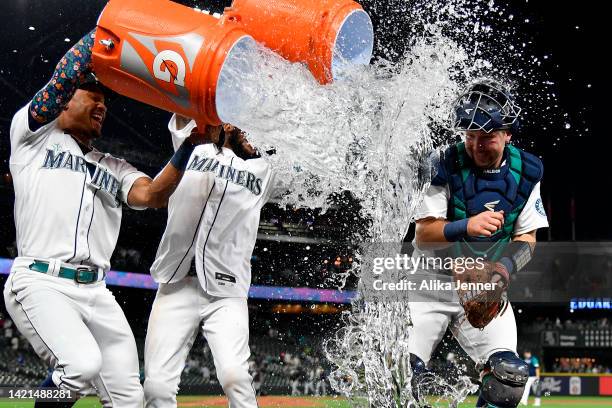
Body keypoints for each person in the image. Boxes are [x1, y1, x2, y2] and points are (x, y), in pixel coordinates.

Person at [3, 29, 212, 407]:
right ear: (64, 103)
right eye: (92, 96)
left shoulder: (113, 167)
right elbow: (64, 75)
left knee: (129, 397)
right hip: (41, 281)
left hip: (97, 291)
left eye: (104, 101)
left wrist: (189, 146)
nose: (101, 105)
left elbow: (152, 195)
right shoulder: (32, 137)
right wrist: (111, 33)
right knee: (80, 366)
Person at [408, 80, 549, 408]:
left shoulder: (526, 172)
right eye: (470, 137)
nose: (477, 146)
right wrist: (466, 225)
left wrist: (503, 270)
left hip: (485, 285)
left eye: (487, 137)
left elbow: (527, 238)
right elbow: (424, 235)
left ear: (508, 134)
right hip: (431, 281)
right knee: (402, 377)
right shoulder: (444, 163)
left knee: (509, 380)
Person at [143, 114, 280, 407]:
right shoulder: (195, 145)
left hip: (227, 291)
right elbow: (182, 107)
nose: (252, 136)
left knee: (235, 377)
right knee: (156, 386)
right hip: (175, 282)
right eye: (248, 127)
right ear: (229, 124)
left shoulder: (264, 170)